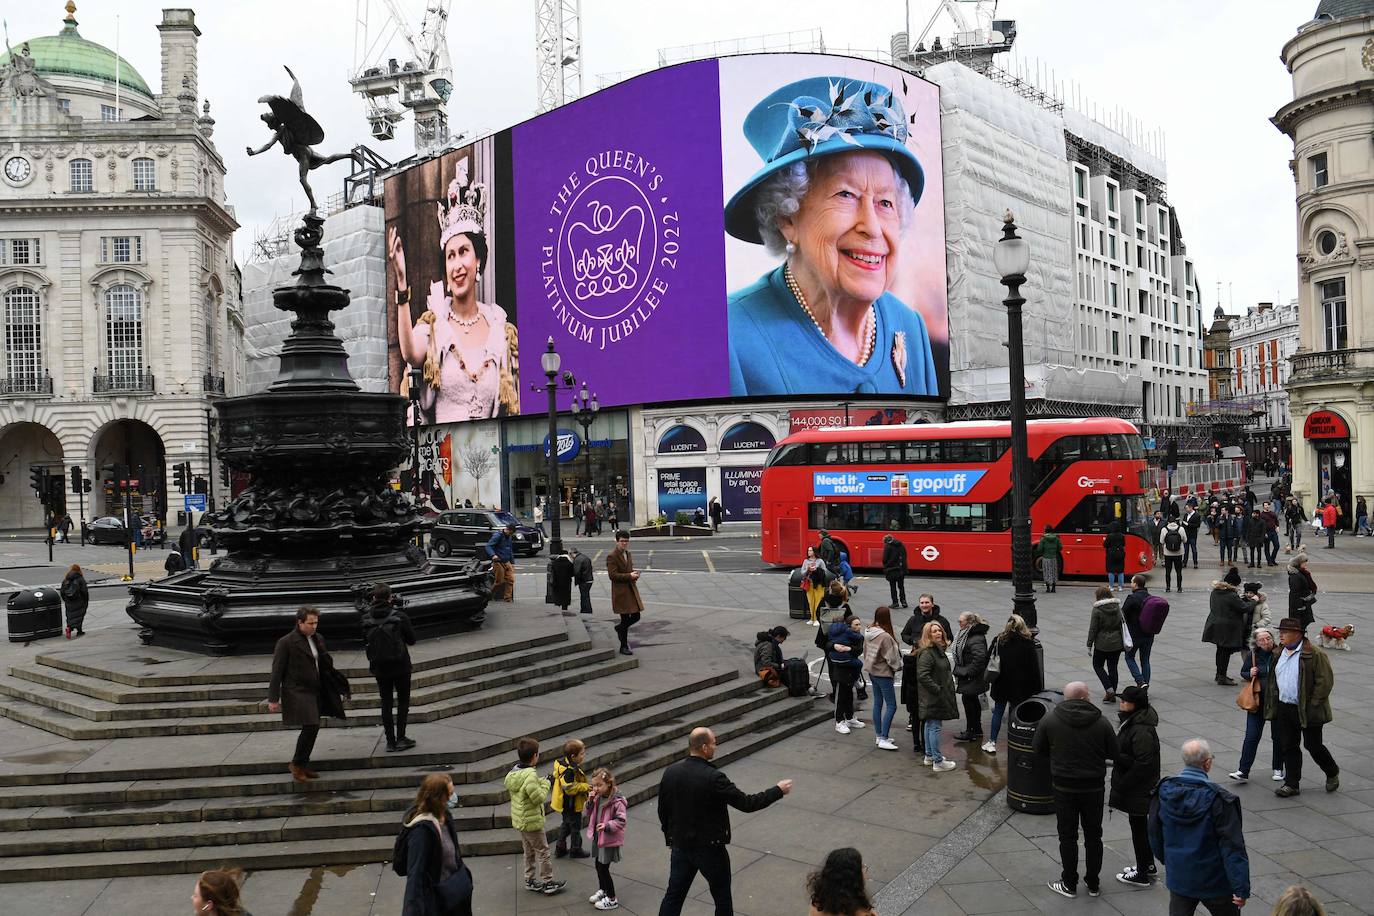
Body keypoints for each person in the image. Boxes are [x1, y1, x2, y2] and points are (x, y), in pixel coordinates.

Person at [724, 76, 938, 397]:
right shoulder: (730, 337)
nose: (872, 226)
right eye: (846, 195)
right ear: (787, 217)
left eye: (885, 202)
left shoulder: (910, 328)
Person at [386, 165, 516, 423]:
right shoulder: (436, 324)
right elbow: (410, 353)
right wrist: (402, 283)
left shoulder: (499, 328)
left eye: (464, 252)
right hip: (445, 458)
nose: (457, 265)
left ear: (478, 260)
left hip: (489, 456)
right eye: (450, 256)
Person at [656, 727, 792, 916]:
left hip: (681, 846)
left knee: (674, 896)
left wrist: (670, 837)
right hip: (710, 849)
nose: (715, 747)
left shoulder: (671, 772)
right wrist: (777, 790)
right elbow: (747, 803)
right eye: (713, 743)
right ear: (704, 747)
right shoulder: (714, 777)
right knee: (722, 898)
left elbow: (663, 810)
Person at [1033, 681, 1118, 899]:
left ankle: (1069, 882)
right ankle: (1093, 883)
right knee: (1093, 835)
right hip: (1093, 787)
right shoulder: (1101, 722)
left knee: (1067, 836)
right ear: (1084, 697)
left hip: (1064, 786)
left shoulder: (1050, 720)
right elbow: (1114, 752)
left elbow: (1038, 749)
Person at [1149, 739, 1250, 915]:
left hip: (1180, 877)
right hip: (1215, 881)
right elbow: (1232, 847)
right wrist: (1240, 887)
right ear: (1208, 763)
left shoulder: (1164, 792)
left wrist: (1170, 860)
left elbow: (1154, 834)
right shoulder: (1220, 800)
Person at [267, 606, 348, 782]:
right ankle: (297, 765)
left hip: (317, 688)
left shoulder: (318, 638)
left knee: (313, 726)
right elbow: (276, 671)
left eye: (316, 623)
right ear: (300, 622)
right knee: (311, 724)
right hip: (298, 690)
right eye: (310, 623)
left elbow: (325, 664)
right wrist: (273, 698)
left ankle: (301, 764)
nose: (314, 626)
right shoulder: (286, 642)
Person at [1265, 618, 1339, 798]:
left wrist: (1313, 703)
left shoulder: (1314, 654)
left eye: (1285, 632)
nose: (1280, 635)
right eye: (1280, 631)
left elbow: (1325, 681)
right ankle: (1291, 784)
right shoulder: (1279, 652)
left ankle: (1332, 772)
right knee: (1288, 746)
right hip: (1284, 707)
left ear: (1297, 634)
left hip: (1308, 708)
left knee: (1313, 745)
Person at [397, 774, 473, 916]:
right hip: (437, 901)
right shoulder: (421, 833)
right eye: (450, 794)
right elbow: (415, 874)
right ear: (438, 797)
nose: (453, 797)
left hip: (454, 894)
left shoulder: (445, 817)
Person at [1110, 685, 1161, 889]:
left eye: (1125, 701)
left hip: (1138, 788)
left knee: (1139, 830)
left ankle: (1142, 873)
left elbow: (1144, 763)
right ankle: (1147, 866)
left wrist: (1122, 781)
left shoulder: (1140, 730)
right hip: (1136, 786)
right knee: (1139, 827)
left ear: (1136, 705)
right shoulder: (1134, 722)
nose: (1121, 703)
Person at [506, 737, 566, 895]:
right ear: (534, 756)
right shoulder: (530, 775)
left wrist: (541, 780)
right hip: (532, 821)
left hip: (521, 820)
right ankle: (548, 882)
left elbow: (526, 788)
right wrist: (547, 783)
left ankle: (530, 879)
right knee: (543, 851)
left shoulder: (515, 772)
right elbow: (538, 797)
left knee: (529, 851)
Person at [361, 582, 418, 753]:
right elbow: (412, 639)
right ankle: (401, 738)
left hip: (379, 667)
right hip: (400, 665)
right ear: (390, 597)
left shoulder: (366, 619)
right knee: (403, 701)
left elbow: (365, 641)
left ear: (373, 598)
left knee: (386, 702)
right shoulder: (399, 616)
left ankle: (390, 741)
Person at [1228, 627, 1283, 783]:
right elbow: (1243, 672)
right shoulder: (1253, 655)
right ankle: (1243, 771)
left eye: (1268, 638)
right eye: (1261, 640)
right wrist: (1249, 673)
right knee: (1251, 737)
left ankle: (1278, 768)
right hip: (1257, 702)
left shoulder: (1280, 653)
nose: (1266, 642)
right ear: (1256, 643)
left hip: (1276, 702)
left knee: (1278, 736)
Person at [983, 614, 1042, 754]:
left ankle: (992, 742)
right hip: (1021, 685)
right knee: (1015, 713)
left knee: (998, 712)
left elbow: (988, 658)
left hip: (1001, 683)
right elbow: (1034, 668)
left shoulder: (999, 640)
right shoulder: (1028, 643)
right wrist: (1037, 688)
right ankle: (1015, 739)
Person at [915, 621, 959, 772]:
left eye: (939, 630)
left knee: (929, 725)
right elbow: (922, 675)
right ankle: (938, 762)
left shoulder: (936, 650)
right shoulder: (928, 653)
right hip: (933, 697)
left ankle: (929, 756)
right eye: (934, 631)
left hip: (934, 695)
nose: (938, 633)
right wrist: (937, 690)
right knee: (934, 727)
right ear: (928, 635)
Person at [586, 767, 628, 911]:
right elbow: (588, 812)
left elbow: (621, 821)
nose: (596, 788)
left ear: (609, 783)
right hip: (599, 838)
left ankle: (611, 899)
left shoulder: (617, 801)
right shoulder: (598, 797)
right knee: (598, 865)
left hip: (608, 839)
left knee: (603, 868)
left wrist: (607, 826)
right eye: (594, 785)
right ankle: (603, 890)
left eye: (599, 785)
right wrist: (590, 800)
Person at [862, 607, 902, 750]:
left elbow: (865, 651)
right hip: (884, 673)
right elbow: (892, 658)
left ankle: (879, 735)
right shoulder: (884, 636)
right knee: (891, 705)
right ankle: (884, 737)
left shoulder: (868, 631)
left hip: (872, 671)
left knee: (877, 703)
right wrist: (898, 667)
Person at [1205, 574, 1254, 687]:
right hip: (1227, 627)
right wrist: (1253, 601)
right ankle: (1222, 676)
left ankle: (1219, 674)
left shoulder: (1215, 592)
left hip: (1215, 624)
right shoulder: (1231, 595)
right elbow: (1244, 608)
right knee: (1225, 652)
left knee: (1220, 650)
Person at [952, 611, 990, 743]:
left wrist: (968, 673)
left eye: (961, 621)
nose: (959, 624)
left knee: (969, 702)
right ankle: (976, 729)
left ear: (969, 623)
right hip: (971, 676)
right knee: (972, 701)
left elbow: (980, 658)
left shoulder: (975, 637)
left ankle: (971, 731)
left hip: (971, 677)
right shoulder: (969, 634)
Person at [806, 847, 877, 916]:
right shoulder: (861, 912)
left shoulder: (817, 903)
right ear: (854, 878)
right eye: (861, 867)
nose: (864, 870)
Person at [551, 738, 591, 859]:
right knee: (575, 827)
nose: (584, 756)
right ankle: (575, 849)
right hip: (570, 804)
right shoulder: (569, 771)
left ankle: (560, 847)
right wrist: (585, 787)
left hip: (564, 803)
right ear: (573, 756)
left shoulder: (563, 765)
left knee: (567, 824)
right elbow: (570, 788)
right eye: (582, 753)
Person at [1087, 586, 1126, 703]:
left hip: (1102, 643)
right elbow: (1122, 623)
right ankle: (1111, 693)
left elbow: (1093, 629)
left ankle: (1109, 689)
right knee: (1113, 668)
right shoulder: (1117, 607)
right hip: (1117, 643)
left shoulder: (1097, 610)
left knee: (1097, 665)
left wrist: (1089, 644)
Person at [828, 613, 866, 734]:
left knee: (849, 695)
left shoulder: (856, 636)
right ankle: (839, 721)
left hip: (850, 669)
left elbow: (859, 650)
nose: (859, 627)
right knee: (840, 696)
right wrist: (835, 646)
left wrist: (848, 649)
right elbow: (826, 644)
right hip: (841, 670)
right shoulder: (846, 633)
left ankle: (849, 717)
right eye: (856, 624)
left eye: (859, 624)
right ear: (849, 625)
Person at [607, 531, 643, 656]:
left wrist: (634, 574)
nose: (624, 543)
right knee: (625, 619)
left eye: (626, 541)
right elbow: (612, 575)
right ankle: (623, 646)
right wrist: (629, 575)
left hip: (630, 590)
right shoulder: (612, 556)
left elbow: (628, 569)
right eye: (622, 541)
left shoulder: (628, 553)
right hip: (621, 592)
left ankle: (619, 628)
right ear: (616, 541)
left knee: (636, 616)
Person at [1121, 575, 1153, 688]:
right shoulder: (1150, 597)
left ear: (1135, 584)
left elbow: (1122, 614)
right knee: (1145, 660)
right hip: (1149, 634)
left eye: (1131, 582)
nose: (1131, 584)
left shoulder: (1132, 598)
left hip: (1135, 634)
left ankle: (1140, 681)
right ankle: (1146, 684)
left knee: (1129, 657)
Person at [798, 546, 830, 628]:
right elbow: (802, 572)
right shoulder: (805, 561)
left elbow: (825, 572)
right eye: (808, 550)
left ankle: (817, 619)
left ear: (814, 552)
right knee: (810, 601)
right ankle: (812, 618)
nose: (809, 552)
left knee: (818, 601)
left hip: (818, 584)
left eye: (810, 550)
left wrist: (816, 570)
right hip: (809, 584)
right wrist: (808, 570)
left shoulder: (820, 561)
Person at [485, 522, 516, 602]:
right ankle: (489, 595)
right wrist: (493, 555)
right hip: (498, 562)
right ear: (507, 530)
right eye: (510, 533)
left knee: (510, 580)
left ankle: (508, 598)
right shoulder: (498, 536)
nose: (510, 535)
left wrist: (512, 563)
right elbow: (488, 546)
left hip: (507, 561)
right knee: (499, 581)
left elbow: (510, 550)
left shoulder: (509, 537)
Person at [1287, 554, 1317, 630]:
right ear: (1298, 564)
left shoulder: (1302, 573)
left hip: (1303, 604)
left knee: (1302, 625)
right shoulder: (1295, 576)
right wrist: (1300, 606)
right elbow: (1295, 593)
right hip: (1299, 607)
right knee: (1299, 626)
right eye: (1304, 562)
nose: (1306, 564)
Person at [59, 563, 88, 640]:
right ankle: (79, 631)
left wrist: (65, 599)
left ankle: (69, 628)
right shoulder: (80, 579)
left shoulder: (66, 579)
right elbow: (84, 591)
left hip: (69, 601)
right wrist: (86, 600)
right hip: (79, 600)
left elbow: (62, 591)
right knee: (79, 615)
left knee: (70, 616)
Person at [1159, 516, 1186, 592]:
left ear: (1168, 522)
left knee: (1168, 571)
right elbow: (1185, 540)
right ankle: (1179, 588)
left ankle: (1168, 588)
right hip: (1178, 553)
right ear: (1175, 521)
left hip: (1168, 553)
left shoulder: (1164, 529)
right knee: (1179, 571)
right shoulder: (1181, 529)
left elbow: (1161, 541)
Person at [881, 534, 908, 607]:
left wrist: (886, 566)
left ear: (886, 541)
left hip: (892, 569)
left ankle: (895, 602)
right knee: (901, 586)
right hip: (901, 569)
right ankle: (903, 601)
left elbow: (884, 559)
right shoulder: (900, 545)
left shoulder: (888, 546)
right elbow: (905, 555)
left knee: (893, 587)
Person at [1034, 525, 1063, 592]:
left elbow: (1039, 549)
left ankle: (1048, 588)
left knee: (1047, 572)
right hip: (1053, 558)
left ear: (1045, 531)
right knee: (1053, 572)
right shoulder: (1056, 538)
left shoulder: (1043, 538)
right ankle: (1053, 588)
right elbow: (1060, 548)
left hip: (1046, 558)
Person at [570, 545, 595, 615]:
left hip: (584, 580)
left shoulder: (577, 560)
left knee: (584, 596)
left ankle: (586, 610)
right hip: (589, 579)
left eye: (570, 555)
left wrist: (576, 580)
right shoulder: (584, 557)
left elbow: (576, 572)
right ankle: (586, 609)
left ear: (572, 553)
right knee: (586, 595)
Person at [1104, 522, 1127, 591]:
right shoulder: (1122, 535)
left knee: (1111, 571)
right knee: (1120, 571)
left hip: (1111, 554)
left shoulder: (1109, 536)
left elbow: (1105, 545)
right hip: (1120, 554)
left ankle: (1111, 587)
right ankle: (1120, 587)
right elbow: (1123, 544)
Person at [1183, 503, 1203, 569]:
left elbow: (1197, 525)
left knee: (1194, 549)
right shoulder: (1186, 515)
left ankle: (1195, 563)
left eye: (1187, 508)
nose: (1186, 509)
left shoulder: (1196, 515)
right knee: (1186, 550)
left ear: (1191, 508)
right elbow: (1183, 523)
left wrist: (1188, 524)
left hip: (1192, 535)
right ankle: (1184, 562)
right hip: (1186, 535)